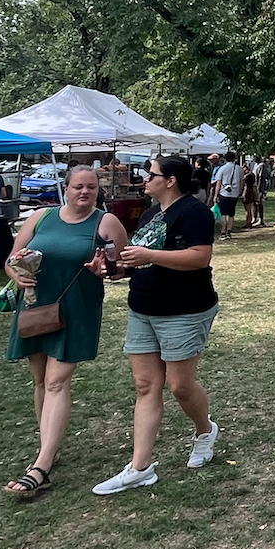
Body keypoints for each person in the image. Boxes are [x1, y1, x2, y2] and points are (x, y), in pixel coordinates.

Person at [94, 155, 220, 495]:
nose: (144, 180)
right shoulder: (150, 215)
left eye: (151, 175)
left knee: (180, 386)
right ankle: (140, 468)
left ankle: (205, 430)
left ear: (171, 181)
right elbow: (139, 262)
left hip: (184, 310)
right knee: (145, 386)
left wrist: (150, 256)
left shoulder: (195, 213)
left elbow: (200, 257)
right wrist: (115, 270)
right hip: (143, 307)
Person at [1, 165, 129, 499]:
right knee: (41, 381)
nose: (85, 192)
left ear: (98, 191)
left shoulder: (106, 223)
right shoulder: (41, 217)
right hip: (35, 306)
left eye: (91, 187)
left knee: (57, 381)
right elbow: (11, 259)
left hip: (76, 308)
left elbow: (123, 267)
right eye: (78, 186)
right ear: (66, 188)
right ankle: (49, 447)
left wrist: (106, 269)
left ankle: (41, 467)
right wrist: (16, 273)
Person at [213, 151, 242, 240]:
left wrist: (216, 195)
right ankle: (229, 231)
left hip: (224, 193)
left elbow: (218, 182)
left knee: (224, 214)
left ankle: (223, 232)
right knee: (231, 214)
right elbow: (241, 182)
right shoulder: (239, 168)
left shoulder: (222, 168)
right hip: (234, 194)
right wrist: (239, 192)